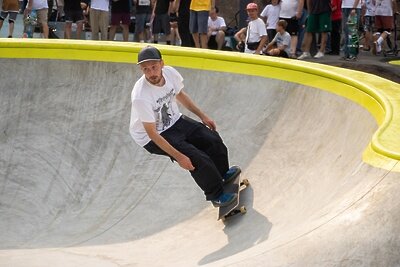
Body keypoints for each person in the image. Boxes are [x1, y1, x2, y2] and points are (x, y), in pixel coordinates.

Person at [130, 46, 241, 207]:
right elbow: (152, 134)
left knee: (212, 140)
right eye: (145, 69)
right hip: (152, 136)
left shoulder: (170, 73)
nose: (151, 73)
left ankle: (222, 173)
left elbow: (180, 95)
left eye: (154, 67)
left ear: (162, 63)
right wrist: (180, 157)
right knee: (197, 160)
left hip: (175, 121)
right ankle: (216, 195)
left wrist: (202, 116)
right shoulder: (141, 96)